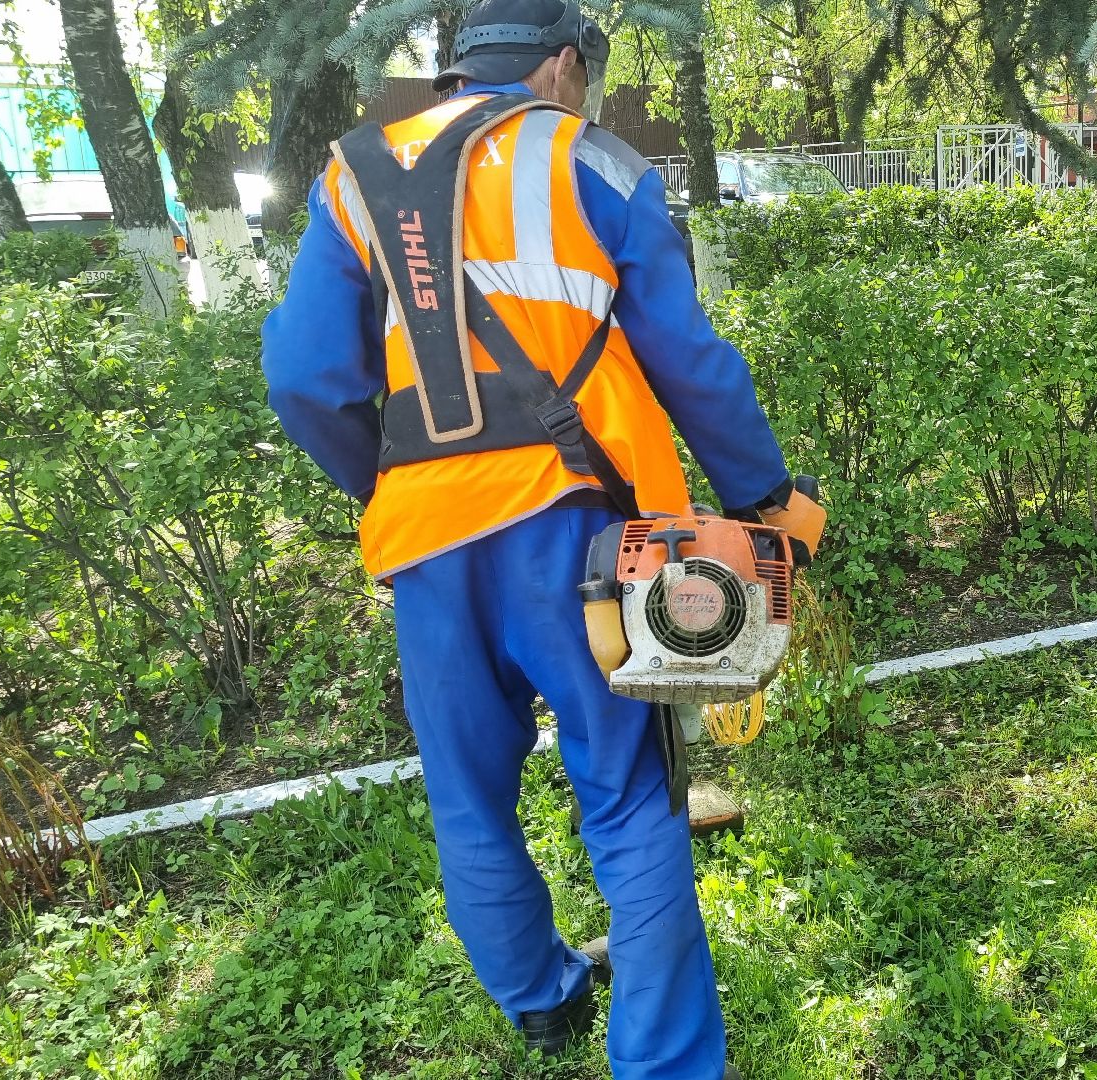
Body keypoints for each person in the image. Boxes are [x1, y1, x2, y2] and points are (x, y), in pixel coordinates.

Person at [261, 1, 816, 1075]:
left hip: (427, 544)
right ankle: (664, 1061)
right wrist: (763, 497)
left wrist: (390, 488)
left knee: (468, 793)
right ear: (562, 65)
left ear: (462, 65)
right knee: (627, 793)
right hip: (585, 540)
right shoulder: (592, 161)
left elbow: (302, 378)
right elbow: (686, 356)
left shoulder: (354, 174)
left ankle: (540, 1001)